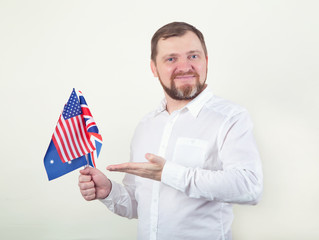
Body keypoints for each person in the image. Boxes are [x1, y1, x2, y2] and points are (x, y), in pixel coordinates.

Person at [78, 22, 263, 240]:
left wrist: (170, 174)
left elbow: (250, 187)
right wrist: (108, 191)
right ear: (154, 68)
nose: (185, 67)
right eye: (171, 59)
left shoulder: (231, 117)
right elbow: (140, 205)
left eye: (193, 56)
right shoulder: (146, 126)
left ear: (206, 61)